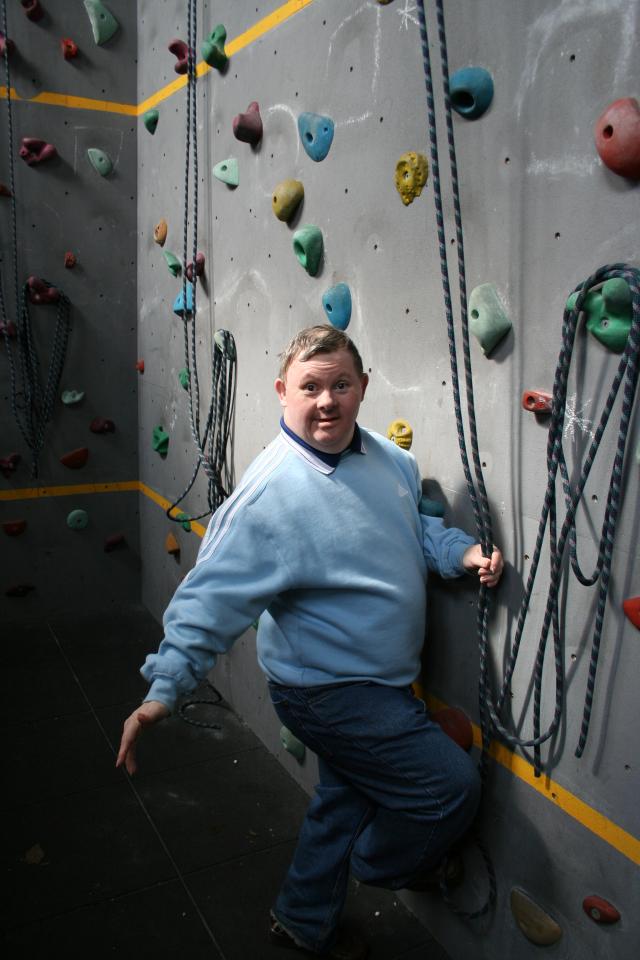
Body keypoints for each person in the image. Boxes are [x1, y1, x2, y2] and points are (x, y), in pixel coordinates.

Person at [117, 324, 503, 960]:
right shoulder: (270, 494)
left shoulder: (391, 460)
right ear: (282, 392)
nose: (327, 401)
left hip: (380, 680)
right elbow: (209, 600)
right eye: (310, 387)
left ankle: (301, 920)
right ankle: (377, 864)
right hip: (326, 691)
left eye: (340, 385)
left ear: (362, 388)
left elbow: (414, 530)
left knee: (343, 800)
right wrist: (164, 689)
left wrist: (459, 553)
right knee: (449, 788)